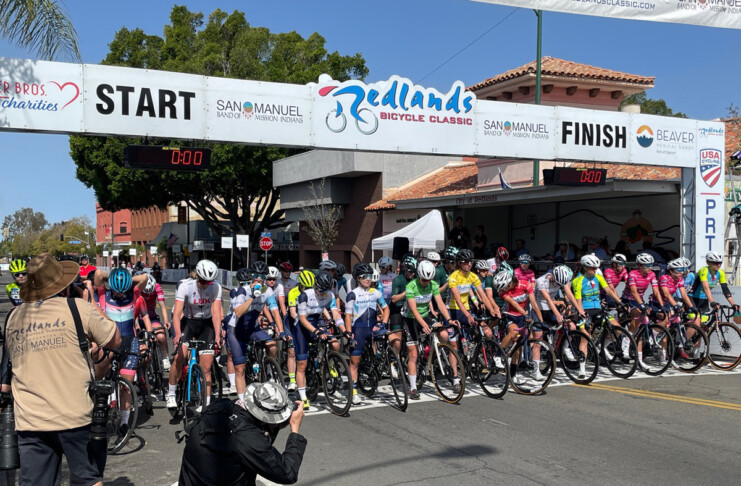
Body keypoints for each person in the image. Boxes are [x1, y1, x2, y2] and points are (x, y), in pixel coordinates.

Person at [0, 253, 121, 486]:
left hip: (31, 420)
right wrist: (90, 301)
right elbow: (114, 340)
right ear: (64, 285)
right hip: (75, 416)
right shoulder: (77, 308)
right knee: (88, 478)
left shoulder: (14, 317)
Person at [179, 382, 307, 486]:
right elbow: (287, 473)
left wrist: (275, 425)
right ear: (267, 420)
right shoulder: (248, 437)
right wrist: (294, 429)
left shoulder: (221, 407)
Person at [167, 259, 224, 410]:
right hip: (188, 323)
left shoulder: (216, 287)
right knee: (179, 358)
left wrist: (217, 336)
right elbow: (177, 313)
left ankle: (206, 403)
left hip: (206, 325)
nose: (206, 284)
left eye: (209, 282)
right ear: (198, 276)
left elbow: (216, 313)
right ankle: (171, 393)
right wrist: (177, 334)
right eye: (203, 281)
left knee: (206, 368)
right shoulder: (185, 286)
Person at [403, 260, 459, 400]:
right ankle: (413, 388)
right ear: (419, 276)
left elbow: (440, 304)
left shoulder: (433, 285)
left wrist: (449, 320)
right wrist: (423, 325)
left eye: (428, 280)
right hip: (410, 318)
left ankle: (435, 353)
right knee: (414, 354)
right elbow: (414, 310)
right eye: (424, 279)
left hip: (425, 314)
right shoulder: (411, 286)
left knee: (443, 333)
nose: (426, 282)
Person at [345, 263, 389, 405]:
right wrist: (348, 332)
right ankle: (354, 392)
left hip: (372, 327)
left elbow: (386, 308)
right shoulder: (353, 294)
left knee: (387, 341)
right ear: (358, 278)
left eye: (369, 276)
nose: (368, 279)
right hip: (358, 329)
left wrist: (383, 323)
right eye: (364, 276)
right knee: (355, 362)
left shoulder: (376, 292)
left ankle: (381, 367)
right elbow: (347, 316)